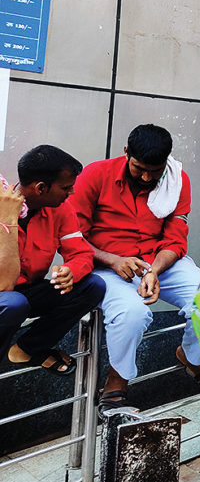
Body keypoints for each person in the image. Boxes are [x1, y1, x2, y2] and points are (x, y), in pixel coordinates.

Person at [72, 124, 200, 412]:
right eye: (139, 169)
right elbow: (72, 238)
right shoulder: (95, 175)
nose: (146, 177)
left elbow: (175, 238)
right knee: (131, 313)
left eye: (155, 171)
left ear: (166, 162)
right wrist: (113, 260)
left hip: (159, 262)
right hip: (106, 266)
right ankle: (117, 378)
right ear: (126, 153)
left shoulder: (177, 179)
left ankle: (192, 357)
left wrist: (153, 271)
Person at [1, 147, 104, 374]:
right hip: (5, 297)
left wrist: (71, 271)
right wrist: (8, 220)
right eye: (65, 188)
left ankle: (26, 349)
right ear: (40, 188)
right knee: (14, 302)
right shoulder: (2, 207)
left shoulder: (61, 209)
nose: (72, 192)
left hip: (28, 292)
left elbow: (81, 253)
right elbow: (4, 286)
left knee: (93, 285)